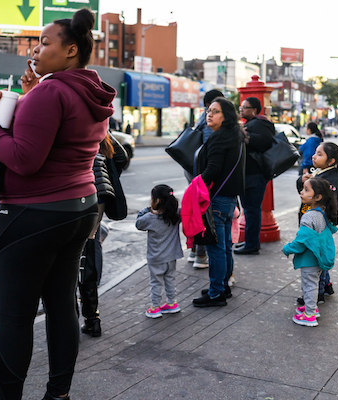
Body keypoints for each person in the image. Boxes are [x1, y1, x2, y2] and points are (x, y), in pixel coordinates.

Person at [0, 9, 116, 400]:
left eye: (45, 42)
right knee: (61, 305)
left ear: (71, 50)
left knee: (14, 315)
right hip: (79, 208)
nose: (36, 48)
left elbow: (24, 158)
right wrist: (36, 89)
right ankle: (58, 394)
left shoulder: (51, 92)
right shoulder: (90, 90)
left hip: (31, 213)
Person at [191, 97, 245, 307]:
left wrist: (196, 185)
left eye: (215, 111)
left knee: (215, 247)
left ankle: (216, 293)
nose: (209, 114)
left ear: (227, 116)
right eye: (208, 111)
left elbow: (212, 169)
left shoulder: (219, 137)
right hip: (229, 198)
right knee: (224, 246)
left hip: (217, 198)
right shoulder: (235, 135)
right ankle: (223, 286)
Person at [79, 133, 128, 338]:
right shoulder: (99, 125)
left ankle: (72, 321)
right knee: (88, 253)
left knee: (68, 261)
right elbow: (121, 157)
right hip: (99, 195)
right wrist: (107, 176)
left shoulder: (72, 119)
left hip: (76, 194)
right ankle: (93, 319)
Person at [296, 142, 338, 304]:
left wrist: (310, 183)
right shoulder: (320, 173)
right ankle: (326, 285)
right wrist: (303, 181)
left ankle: (317, 293)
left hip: (318, 226)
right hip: (313, 223)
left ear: (331, 161)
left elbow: (319, 198)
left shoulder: (331, 179)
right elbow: (305, 194)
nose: (314, 156)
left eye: (319, 154)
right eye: (315, 152)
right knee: (318, 256)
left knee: (314, 257)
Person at [283, 177, 338, 327]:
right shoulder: (322, 212)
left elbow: (301, 242)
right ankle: (311, 307)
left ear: (318, 197)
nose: (301, 192)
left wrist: (287, 248)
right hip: (318, 257)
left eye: (306, 190)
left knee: (309, 285)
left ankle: (309, 314)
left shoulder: (309, 216)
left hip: (310, 259)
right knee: (312, 283)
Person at [186, 89, 224, 269]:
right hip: (203, 171)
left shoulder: (202, 117)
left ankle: (194, 251)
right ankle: (201, 254)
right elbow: (211, 148)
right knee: (204, 210)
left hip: (195, 168)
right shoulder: (212, 120)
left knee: (196, 207)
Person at [234, 97, 275, 255]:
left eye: (244, 108)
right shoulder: (253, 123)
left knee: (251, 210)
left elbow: (265, 141)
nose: (241, 110)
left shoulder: (259, 123)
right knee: (250, 209)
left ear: (254, 110)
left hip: (255, 175)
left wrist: (244, 135)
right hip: (252, 174)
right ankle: (250, 241)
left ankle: (252, 244)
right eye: (241, 107)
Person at [136, 184, 183, 318]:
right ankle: (172, 303)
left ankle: (155, 307)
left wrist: (149, 209)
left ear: (156, 201)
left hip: (156, 258)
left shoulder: (150, 218)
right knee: (170, 279)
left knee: (156, 282)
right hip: (172, 255)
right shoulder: (176, 214)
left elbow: (138, 223)